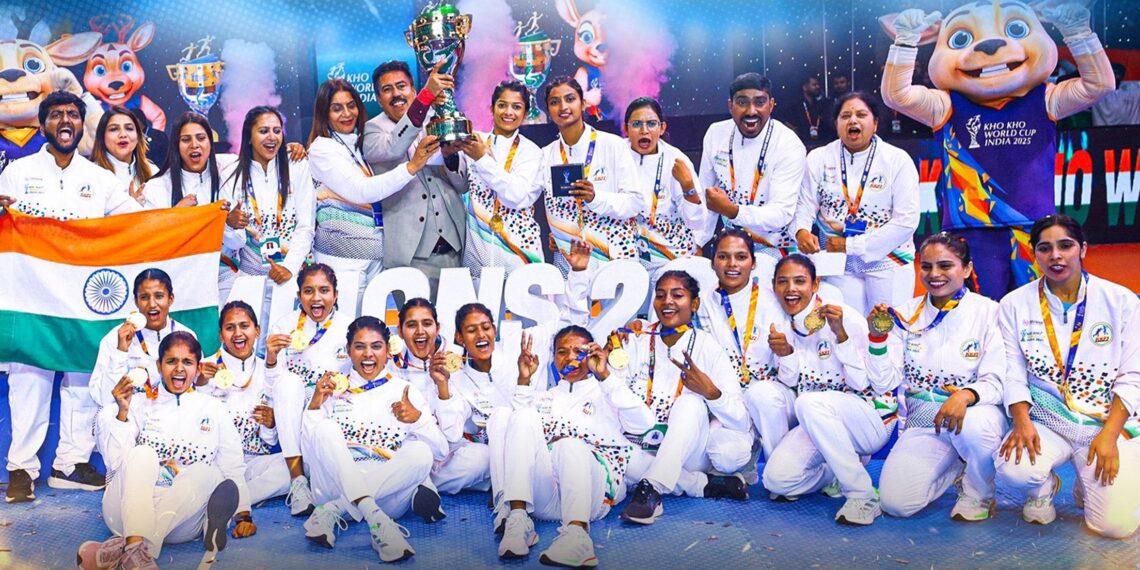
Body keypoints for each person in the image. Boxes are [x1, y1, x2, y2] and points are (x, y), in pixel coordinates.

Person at [0, 91, 142, 503]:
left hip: (83, 302)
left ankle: (69, 464)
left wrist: (194, 216)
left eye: (73, 115)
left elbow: (138, 225)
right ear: (43, 124)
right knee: (30, 381)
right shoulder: (17, 172)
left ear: (82, 125)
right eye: (57, 115)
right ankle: (21, 469)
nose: (66, 121)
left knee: (82, 379)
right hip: (33, 301)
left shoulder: (100, 179)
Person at [996, 214, 1140, 539]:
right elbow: (1013, 371)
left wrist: (1110, 435)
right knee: (1014, 468)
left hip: (1103, 423)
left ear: (1083, 249)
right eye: (1045, 248)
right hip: (1048, 421)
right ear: (1034, 254)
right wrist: (1021, 421)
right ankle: (1044, 485)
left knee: (1114, 527)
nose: (1056, 256)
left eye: (1065, 246)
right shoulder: (1014, 305)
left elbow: (1133, 375)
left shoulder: (1121, 301)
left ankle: (1092, 486)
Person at [77, 332, 244, 570]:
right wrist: (122, 413)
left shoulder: (214, 408)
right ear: (159, 365)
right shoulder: (138, 402)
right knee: (143, 453)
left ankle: (132, 550)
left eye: (187, 362)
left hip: (180, 520)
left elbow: (233, 465)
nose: (179, 368)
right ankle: (136, 545)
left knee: (206, 473)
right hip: (126, 511)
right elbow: (116, 463)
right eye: (171, 361)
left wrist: (244, 513)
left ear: (198, 369)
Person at [871, 234, 1008, 522]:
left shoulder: (990, 312)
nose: (934, 275)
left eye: (945, 266)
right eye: (927, 266)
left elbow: (997, 380)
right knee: (897, 504)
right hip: (925, 423)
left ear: (967, 269)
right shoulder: (905, 314)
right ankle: (958, 466)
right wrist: (878, 338)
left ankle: (978, 492)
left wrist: (965, 395)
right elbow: (884, 382)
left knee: (973, 428)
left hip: (974, 417)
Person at [495, 325, 655, 566]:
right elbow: (517, 440)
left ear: (592, 354)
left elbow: (644, 424)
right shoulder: (544, 396)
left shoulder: (607, 390)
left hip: (592, 495)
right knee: (519, 416)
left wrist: (604, 376)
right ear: (553, 358)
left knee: (569, 445)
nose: (570, 357)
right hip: (545, 499)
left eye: (578, 351)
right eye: (561, 352)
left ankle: (578, 536)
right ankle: (519, 519)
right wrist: (524, 381)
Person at [761, 254, 896, 525]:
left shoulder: (844, 316)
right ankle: (838, 470)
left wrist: (841, 336)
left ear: (815, 284)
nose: (791, 289)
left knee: (809, 403)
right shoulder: (781, 322)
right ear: (774, 285)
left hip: (870, 417)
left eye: (800, 281)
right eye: (782, 282)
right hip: (821, 421)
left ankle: (862, 494)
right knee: (777, 481)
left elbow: (864, 383)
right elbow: (790, 382)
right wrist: (786, 354)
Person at [299, 316, 448, 562]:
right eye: (360, 346)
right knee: (324, 429)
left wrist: (417, 419)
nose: (368, 354)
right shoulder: (331, 388)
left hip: (387, 493)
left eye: (376, 346)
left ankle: (336, 510)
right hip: (335, 483)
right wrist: (315, 404)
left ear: (388, 351)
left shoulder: (405, 390)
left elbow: (441, 452)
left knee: (421, 451)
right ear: (348, 351)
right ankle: (376, 520)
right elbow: (309, 452)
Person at [613, 271, 752, 525]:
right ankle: (700, 485)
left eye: (677, 295)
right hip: (639, 443)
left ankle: (652, 488)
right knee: (618, 455)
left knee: (690, 403)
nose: (667, 302)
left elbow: (742, 422)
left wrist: (712, 394)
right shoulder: (636, 338)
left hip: (688, 449)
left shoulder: (708, 346)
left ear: (695, 304)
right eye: (660, 295)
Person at [306, 79, 436, 303]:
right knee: (346, 329)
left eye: (351, 105)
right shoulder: (322, 149)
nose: (347, 113)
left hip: (374, 255)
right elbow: (360, 191)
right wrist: (411, 167)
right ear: (324, 113)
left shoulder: (357, 145)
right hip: (342, 257)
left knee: (372, 331)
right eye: (337, 108)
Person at [794, 92, 920, 315]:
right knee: (848, 329)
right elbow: (805, 204)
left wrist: (851, 245)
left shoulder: (896, 160)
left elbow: (907, 221)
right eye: (845, 116)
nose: (853, 120)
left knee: (887, 332)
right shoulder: (818, 158)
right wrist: (801, 230)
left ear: (875, 123)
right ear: (836, 124)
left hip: (888, 262)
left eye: (861, 115)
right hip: (839, 264)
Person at [362, 60, 467, 295]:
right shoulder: (372, 130)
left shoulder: (439, 120)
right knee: (415, 330)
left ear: (412, 89)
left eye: (402, 86)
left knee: (456, 327)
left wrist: (450, 157)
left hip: (454, 247)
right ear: (378, 99)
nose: (396, 94)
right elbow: (394, 149)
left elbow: (462, 185)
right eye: (387, 89)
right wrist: (425, 98)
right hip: (409, 254)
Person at [196, 301, 293, 538]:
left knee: (295, 468)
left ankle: (227, 500)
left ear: (257, 331)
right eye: (230, 328)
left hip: (254, 460)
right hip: (218, 463)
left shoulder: (269, 370)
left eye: (244, 326)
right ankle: (229, 498)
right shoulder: (204, 369)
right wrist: (199, 385)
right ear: (221, 335)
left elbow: (270, 444)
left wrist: (271, 424)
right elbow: (194, 423)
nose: (238, 333)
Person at [694, 229, 789, 469]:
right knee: (725, 458)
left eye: (741, 257)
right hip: (729, 398)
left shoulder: (773, 301)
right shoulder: (701, 302)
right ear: (713, 262)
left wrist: (786, 353)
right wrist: (639, 325)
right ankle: (746, 460)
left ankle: (781, 468)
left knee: (762, 395)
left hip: (771, 397)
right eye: (723, 256)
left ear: (753, 263)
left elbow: (791, 373)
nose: (732, 264)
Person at [698, 72, 806, 283]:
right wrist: (698, 244)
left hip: (774, 249)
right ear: (730, 106)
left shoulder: (788, 144)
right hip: (730, 249)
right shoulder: (715, 133)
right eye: (742, 102)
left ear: (771, 105)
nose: (751, 111)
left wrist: (733, 211)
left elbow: (782, 213)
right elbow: (707, 199)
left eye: (759, 102)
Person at [264, 263, 351, 518]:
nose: (316, 298)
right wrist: (271, 356)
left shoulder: (350, 328)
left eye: (324, 290)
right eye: (308, 291)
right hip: (291, 422)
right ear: (298, 295)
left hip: (328, 420)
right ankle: (298, 482)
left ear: (335, 294)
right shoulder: (284, 326)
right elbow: (273, 388)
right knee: (288, 382)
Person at [541, 76, 644, 273]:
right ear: (548, 110)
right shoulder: (546, 155)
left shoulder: (613, 145)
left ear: (584, 103)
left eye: (570, 99)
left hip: (614, 259)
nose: (563, 106)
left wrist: (595, 197)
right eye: (555, 102)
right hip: (568, 262)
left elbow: (635, 203)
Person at [144, 112, 244, 303]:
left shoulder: (227, 178)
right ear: (176, 145)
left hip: (223, 277)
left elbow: (238, 242)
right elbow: (153, 241)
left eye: (201, 138)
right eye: (185, 140)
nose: (194, 145)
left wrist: (226, 224)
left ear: (210, 142)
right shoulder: (157, 187)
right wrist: (179, 216)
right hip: (178, 280)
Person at [222, 106, 315, 304]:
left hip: (293, 275)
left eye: (277, 131)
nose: (272, 137)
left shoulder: (297, 165)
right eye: (263, 131)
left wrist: (288, 268)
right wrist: (230, 225)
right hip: (250, 278)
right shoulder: (231, 175)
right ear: (249, 136)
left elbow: (306, 226)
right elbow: (234, 243)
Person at [392, 298, 481, 498]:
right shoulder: (391, 365)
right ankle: (417, 483)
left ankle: (416, 486)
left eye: (427, 323)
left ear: (437, 328)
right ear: (399, 330)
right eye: (411, 325)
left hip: (447, 453)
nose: (420, 332)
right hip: (409, 449)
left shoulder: (456, 360)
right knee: (413, 453)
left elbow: (453, 435)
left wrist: (442, 386)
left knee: (484, 458)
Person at [456, 80, 545, 277]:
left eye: (516, 107)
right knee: (479, 309)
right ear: (492, 107)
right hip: (477, 252)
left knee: (526, 308)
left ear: (526, 112)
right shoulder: (474, 142)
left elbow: (516, 195)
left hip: (520, 253)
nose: (508, 112)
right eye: (502, 105)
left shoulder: (531, 152)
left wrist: (482, 159)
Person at [89, 269, 198, 412]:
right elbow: (104, 400)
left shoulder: (187, 336)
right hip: (131, 417)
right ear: (136, 301)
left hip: (175, 417)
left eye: (159, 296)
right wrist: (120, 352)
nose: (152, 304)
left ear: (170, 299)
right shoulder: (114, 338)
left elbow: (194, 390)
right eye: (144, 297)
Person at [623, 97, 707, 277]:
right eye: (636, 124)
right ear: (626, 129)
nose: (644, 130)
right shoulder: (616, 156)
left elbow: (697, 222)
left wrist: (688, 186)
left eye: (651, 124)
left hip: (670, 255)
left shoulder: (676, 159)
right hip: (628, 255)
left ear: (662, 128)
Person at [90, 106, 155, 206]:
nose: (123, 134)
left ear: (138, 136)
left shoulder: (154, 171)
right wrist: (130, 207)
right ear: (102, 137)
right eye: (114, 129)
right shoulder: (91, 175)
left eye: (129, 128)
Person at [783, 75, 834, 146]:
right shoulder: (795, 105)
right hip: (802, 144)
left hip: (820, 143)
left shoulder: (820, 104)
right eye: (814, 85)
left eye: (818, 84)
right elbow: (785, 121)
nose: (817, 87)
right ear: (805, 87)